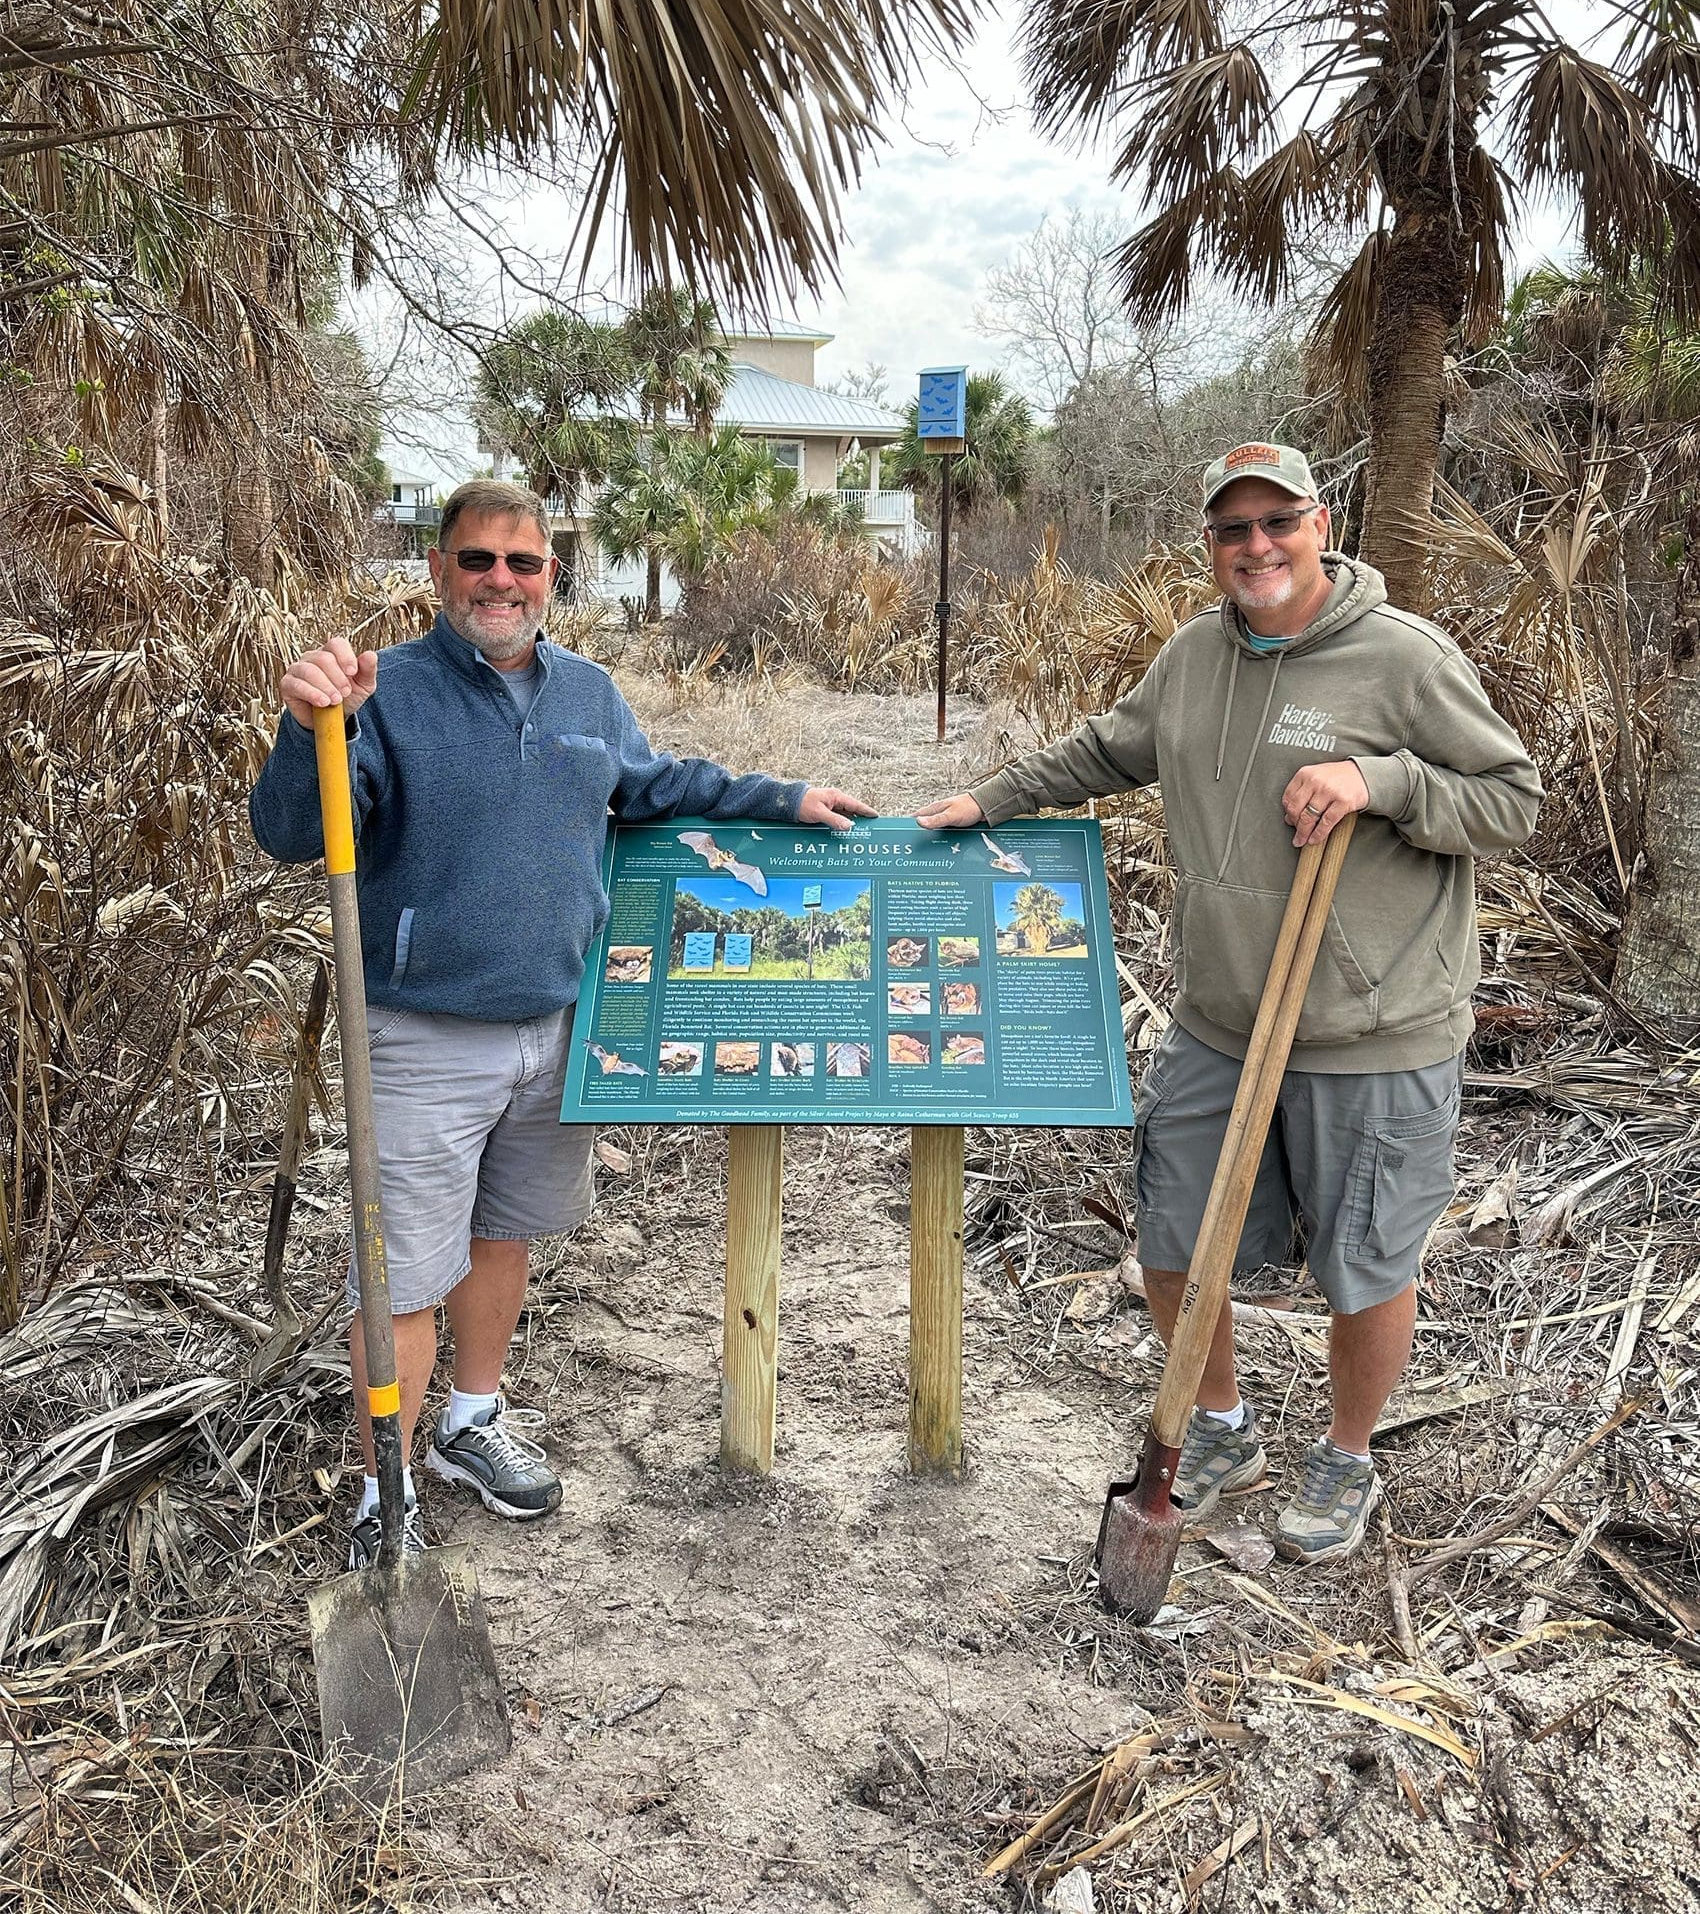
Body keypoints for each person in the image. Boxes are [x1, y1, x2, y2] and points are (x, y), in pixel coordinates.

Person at [919, 443, 1542, 1564]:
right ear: (1206, 542)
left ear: (1319, 521)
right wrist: (988, 798)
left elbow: (1510, 799)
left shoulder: (1401, 660)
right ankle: (1221, 1427)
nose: (1254, 545)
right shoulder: (1193, 654)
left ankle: (1346, 1455)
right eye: (1229, 528)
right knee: (1171, 1235)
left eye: (1275, 521)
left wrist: (1380, 780)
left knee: (1366, 1262)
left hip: (1371, 1028)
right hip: (1219, 1017)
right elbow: (1112, 746)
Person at [251, 480, 872, 1568]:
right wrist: (309, 722)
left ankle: (469, 1424)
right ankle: (380, 1490)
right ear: (439, 571)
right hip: (422, 1035)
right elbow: (293, 830)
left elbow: (652, 783)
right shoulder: (382, 693)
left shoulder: (586, 691)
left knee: (504, 1233)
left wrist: (779, 797)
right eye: (478, 560)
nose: (501, 580)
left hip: (557, 1026)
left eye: (523, 563)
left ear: (551, 576)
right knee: (398, 1273)